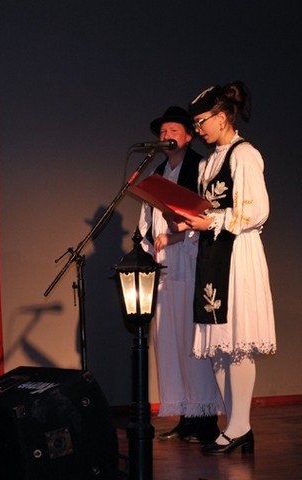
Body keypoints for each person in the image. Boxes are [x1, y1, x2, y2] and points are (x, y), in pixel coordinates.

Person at [176, 81, 276, 455]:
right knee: (218, 344)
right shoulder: (207, 163)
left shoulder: (244, 155)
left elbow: (256, 211)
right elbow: (208, 210)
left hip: (237, 255)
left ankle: (240, 426)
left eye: (201, 121)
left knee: (236, 344)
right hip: (213, 254)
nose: (198, 129)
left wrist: (211, 221)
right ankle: (233, 424)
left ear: (221, 117)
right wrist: (189, 222)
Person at [138, 106, 222, 444]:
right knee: (170, 340)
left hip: (190, 260)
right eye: (162, 132)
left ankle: (206, 418)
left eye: (173, 131)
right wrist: (149, 244)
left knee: (192, 339)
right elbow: (146, 220)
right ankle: (186, 414)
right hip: (165, 265)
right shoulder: (158, 172)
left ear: (188, 136)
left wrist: (176, 236)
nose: (166, 137)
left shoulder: (200, 168)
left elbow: (209, 214)